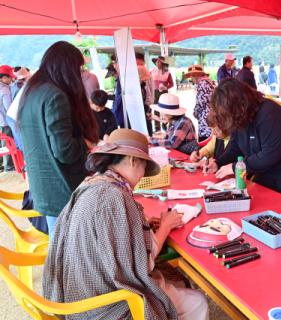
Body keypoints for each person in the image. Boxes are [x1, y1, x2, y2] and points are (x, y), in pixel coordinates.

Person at [43, 129, 209, 320]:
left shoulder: (91, 184)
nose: (142, 177)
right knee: (197, 301)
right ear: (132, 161)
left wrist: (140, 228)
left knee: (176, 283)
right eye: (144, 168)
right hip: (103, 307)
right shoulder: (115, 198)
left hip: (76, 297)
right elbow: (141, 267)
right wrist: (165, 226)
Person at [18, 41, 99, 235]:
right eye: (79, 69)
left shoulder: (32, 91)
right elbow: (65, 151)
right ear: (67, 67)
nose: (80, 74)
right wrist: (85, 143)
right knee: (66, 249)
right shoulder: (56, 96)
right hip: (61, 186)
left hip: (44, 185)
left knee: (60, 245)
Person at [204, 78, 281, 197]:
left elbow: (271, 154)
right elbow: (235, 148)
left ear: (238, 105)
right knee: (257, 199)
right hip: (267, 168)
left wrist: (233, 167)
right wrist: (218, 163)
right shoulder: (237, 117)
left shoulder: (269, 114)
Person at [183, 64, 214, 142]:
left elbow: (200, 103)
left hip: (206, 120)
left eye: (191, 77)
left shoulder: (203, 84)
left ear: (195, 76)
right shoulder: (209, 81)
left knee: (205, 143)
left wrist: (195, 112)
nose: (191, 79)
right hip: (211, 116)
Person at [0, 65, 17, 172]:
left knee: (2, 143)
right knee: (8, 143)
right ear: (4, 78)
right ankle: (9, 166)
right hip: (6, 121)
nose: (12, 79)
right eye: (10, 77)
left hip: (0, 121)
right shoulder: (4, 90)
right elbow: (8, 108)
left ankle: (2, 164)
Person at [150, 56, 174, 131]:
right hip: (154, 92)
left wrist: (165, 87)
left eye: (160, 62)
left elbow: (171, 84)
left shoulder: (167, 73)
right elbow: (148, 81)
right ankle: (157, 128)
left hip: (164, 93)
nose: (158, 63)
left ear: (163, 63)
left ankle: (164, 126)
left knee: (164, 109)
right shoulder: (152, 71)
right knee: (155, 109)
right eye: (157, 62)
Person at [138, 65, 154, 136]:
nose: (145, 80)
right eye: (143, 78)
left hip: (145, 111)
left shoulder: (142, 86)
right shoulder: (135, 88)